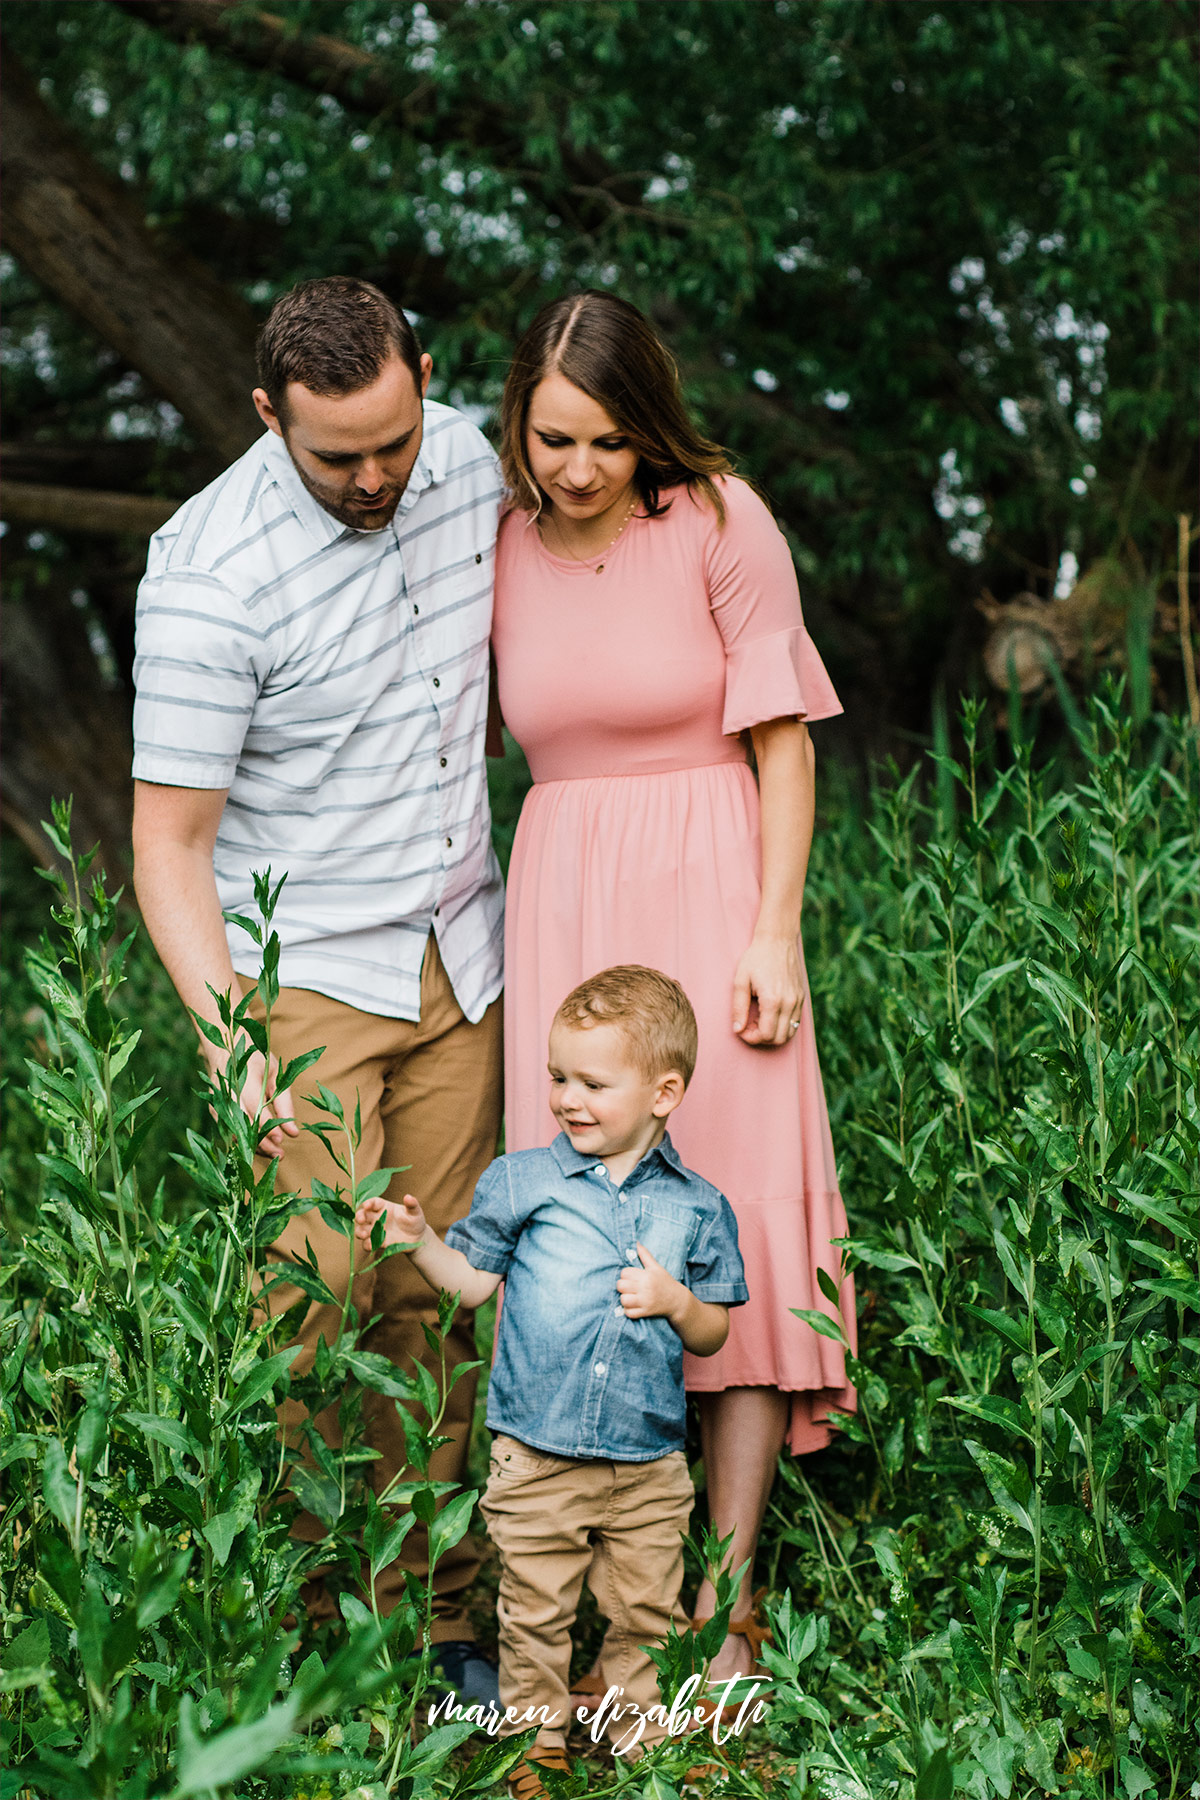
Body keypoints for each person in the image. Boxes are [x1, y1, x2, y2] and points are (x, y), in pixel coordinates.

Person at [130, 276, 504, 1696]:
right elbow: (169, 846)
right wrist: (235, 1049)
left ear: (423, 380)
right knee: (319, 1297)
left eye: (391, 445)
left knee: (444, 1295)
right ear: (263, 413)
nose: (373, 479)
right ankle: (305, 1624)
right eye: (335, 455)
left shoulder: (465, 458)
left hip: (465, 951)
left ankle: (440, 1618)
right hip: (307, 977)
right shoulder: (209, 572)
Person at [490, 290, 857, 1689]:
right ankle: (585, 1579)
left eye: (604, 440)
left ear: (648, 423)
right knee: (583, 1227)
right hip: (569, 893)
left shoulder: (717, 519)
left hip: (716, 889)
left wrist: (776, 931)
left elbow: (785, 746)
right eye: (552, 439)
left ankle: (733, 1591)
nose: (578, 469)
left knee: (737, 1216)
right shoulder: (505, 545)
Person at [355, 966, 748, 1799]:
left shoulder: (698, 1208)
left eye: (593, 1083)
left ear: (664, 1092)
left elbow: (715, 1333)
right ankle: (536, 1745)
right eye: (558, 1077)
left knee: (646, 1612)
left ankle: (641, 1737)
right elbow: (468, 1285)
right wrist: (421, 1240)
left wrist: (675, 1301)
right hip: (535, 1454)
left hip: (647, 1463)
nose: (568, 1098)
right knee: (535, 1615)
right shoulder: (522, 1183)